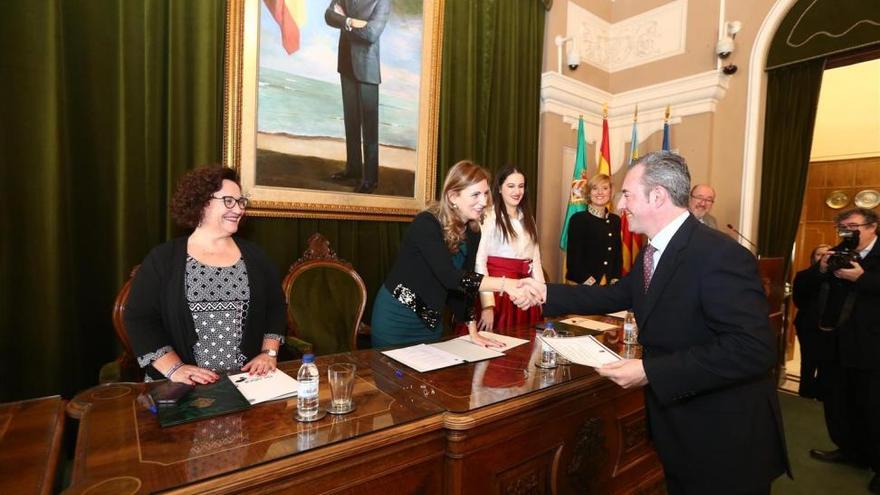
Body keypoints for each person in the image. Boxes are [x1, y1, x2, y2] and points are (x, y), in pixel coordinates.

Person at [515, 152, 789, 494]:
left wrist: (650, 371)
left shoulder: (719, 254)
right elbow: (615, 295)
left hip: (724, 436)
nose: (621, 203)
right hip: (682, 428)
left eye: (628, 194)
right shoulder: (653, 252)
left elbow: (752, 350)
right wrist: (543, 292)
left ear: (657, 196)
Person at [125, 167, 286, 384]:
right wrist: (175, 369)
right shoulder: (163, 259)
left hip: (247, 382)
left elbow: (276, 307)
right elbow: (140, 319)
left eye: (241, 202)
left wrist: (269, 353)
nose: (238, 209)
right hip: (182, 388)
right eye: (229, 201)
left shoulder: (256, 256)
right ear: (201, 202)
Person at [370, 160, 531, 349]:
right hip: (397, 316)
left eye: (486, 193)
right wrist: (505, 284)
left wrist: (473, 332)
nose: (484, 201)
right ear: (453, 196)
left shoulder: (473, 231)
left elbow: (465, 288)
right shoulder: (426, 223)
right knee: (394, 376)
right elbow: (450, 277)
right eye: (476, 194)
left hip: (430, 320)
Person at [802, 208, 880, 494]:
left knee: (872, 408)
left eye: (852, 226)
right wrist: (820, 269)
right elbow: (805, 287)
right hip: (834, 344)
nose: (847, 231)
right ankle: (850, 451)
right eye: (842, 226)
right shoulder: (836, 252)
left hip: (871, 347)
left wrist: (862, 279)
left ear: (872, 227)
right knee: (838, 403)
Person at [325, 0, 390, 194]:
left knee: (369, 130)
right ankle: (353, 170)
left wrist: (343, 21)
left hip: (367, 72)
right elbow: (329, 16)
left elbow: (371, 34)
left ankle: (370, 179)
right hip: (346, 66)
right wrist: (353, 22)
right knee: (351, 123)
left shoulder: (382, 2)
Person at [474, 166, 544, 332]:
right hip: (499, 294)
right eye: (511, 186)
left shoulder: (528, 219)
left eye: (521, 186)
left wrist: (542, 297)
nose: (517, 191)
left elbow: (536, 262)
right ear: (499, 188)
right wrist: (487, 306)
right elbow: (480, 262)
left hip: (526, 294)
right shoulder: (489, 216)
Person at [791, 243, 833, 399]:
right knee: (808, 361)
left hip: (831, 328)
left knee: (827, 364)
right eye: (819, 254)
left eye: (827, 254)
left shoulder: (839, 275)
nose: (823, 257)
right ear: (812, 258)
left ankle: (822, 395)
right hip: (808, 326)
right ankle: (806, 393)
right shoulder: (803, 275)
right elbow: (798, 301)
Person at [565, 173, 622, 285]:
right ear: (589, 192)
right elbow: (573, 261)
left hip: (608, 286)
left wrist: (615, 280)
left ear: (610, 192)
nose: (600, 192)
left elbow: (617, 256)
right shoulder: (578, 219)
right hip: (582, 285)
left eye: (605, 188)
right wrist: (593, 285)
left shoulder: (615, 220)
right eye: (595, 188)